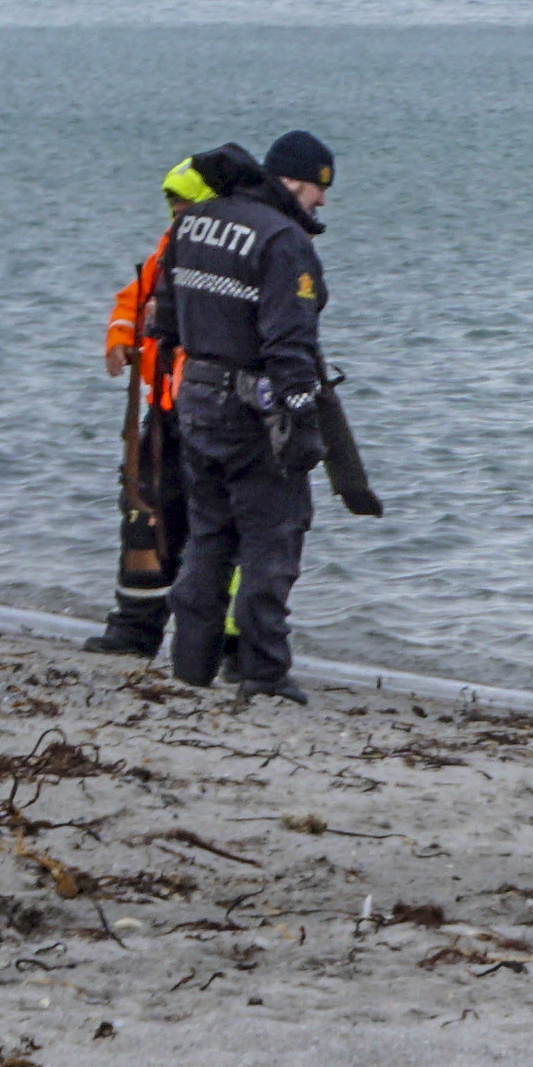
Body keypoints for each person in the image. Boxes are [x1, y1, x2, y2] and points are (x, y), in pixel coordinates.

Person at [157, 126, 336, 696]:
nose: (322, 202)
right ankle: (261, 669)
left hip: (195, 399)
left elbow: (164, 318)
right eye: (317, 188)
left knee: (209, 532)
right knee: (273, 532)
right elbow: (289, 342)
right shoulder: (284, 240)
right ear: (291, 181)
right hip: (251, 409)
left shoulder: (193, 224)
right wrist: (304, 420)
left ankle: (191, 663)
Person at [90, 145, 243, 656]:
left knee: (212, 525)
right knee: (144, 516)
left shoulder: (227, 250)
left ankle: (220, 641)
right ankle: (135, 629)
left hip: (208, 410)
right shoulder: (169, 246)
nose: (176, 212)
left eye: (184, 203)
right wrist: (119, 338)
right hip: (164, 410)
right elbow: (132, 298)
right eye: (171, 203)